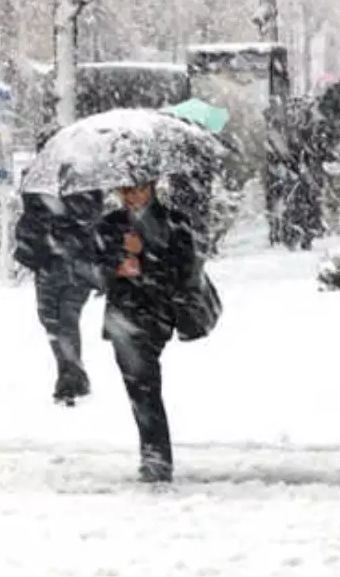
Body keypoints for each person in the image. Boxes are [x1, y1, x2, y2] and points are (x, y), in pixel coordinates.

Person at [94, 177, 198, 483]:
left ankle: (156, 455)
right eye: (124, 189)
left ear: (151, 188)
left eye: (137, 189)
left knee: (145, 384)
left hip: (157, 313)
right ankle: (154, 454)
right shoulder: (109, 225)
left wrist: (145, 256)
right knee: (141, 386)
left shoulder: (174, 223)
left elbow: (183, 270)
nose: (131, 196)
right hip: (123, 316)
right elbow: (94, 269)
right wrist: (118, 262)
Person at [14, 190, 103, 407]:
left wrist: (64, 226)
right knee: (50, 320)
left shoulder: (85, 189)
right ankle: (71, 374)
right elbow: (26, 226)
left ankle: (71, 378)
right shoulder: (37, 193)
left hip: (76, 266)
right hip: (47, 265)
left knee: (67, 319)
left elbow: (91, 222)